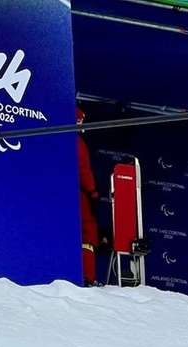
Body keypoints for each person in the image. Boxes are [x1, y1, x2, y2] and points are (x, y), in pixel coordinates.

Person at [76, 106, 101, 285]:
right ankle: (87, 276)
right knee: (88, 233)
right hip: (79, 195)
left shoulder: (54, 137)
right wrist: (93, 192)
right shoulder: (78, 142)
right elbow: (83, 170)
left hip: (56, 195)